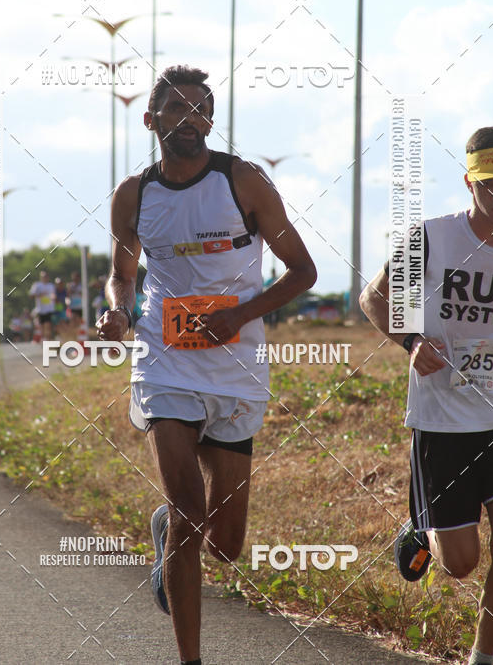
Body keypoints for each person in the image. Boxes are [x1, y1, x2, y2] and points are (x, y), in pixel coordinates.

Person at [96, 65, 317, 665]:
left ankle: (167, 529)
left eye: (201, 111)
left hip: (236, 368)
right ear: (151, 120)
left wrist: (241, 314)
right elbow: (122, 274)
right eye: (177, 110)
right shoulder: (134, 194)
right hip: (164, 362)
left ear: (211, 122)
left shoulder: (242, 182)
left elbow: (303, 271)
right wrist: (118, 313)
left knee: (225, 544)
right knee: (194, 515)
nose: (190, 120)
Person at [360, 126, 493, 665]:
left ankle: (482, 658)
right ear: (470, 183)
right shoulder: (435, 240)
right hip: (442, 421)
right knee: (460, 563)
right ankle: (420, 527)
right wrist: (411, 340)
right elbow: (376, 298)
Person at [29, 270, 55, 340]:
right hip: (40, 309)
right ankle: (43, 340)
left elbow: (53, 295)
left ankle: (48, 340)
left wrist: (53, 297)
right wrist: (39, 295)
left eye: (46, 276)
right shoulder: (37, 285)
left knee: (48, 325)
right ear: (41, 277)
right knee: (42, 327)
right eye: (43, 277)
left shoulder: (51, 285)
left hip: (49, 309)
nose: (45, 278)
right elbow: (31, 295)